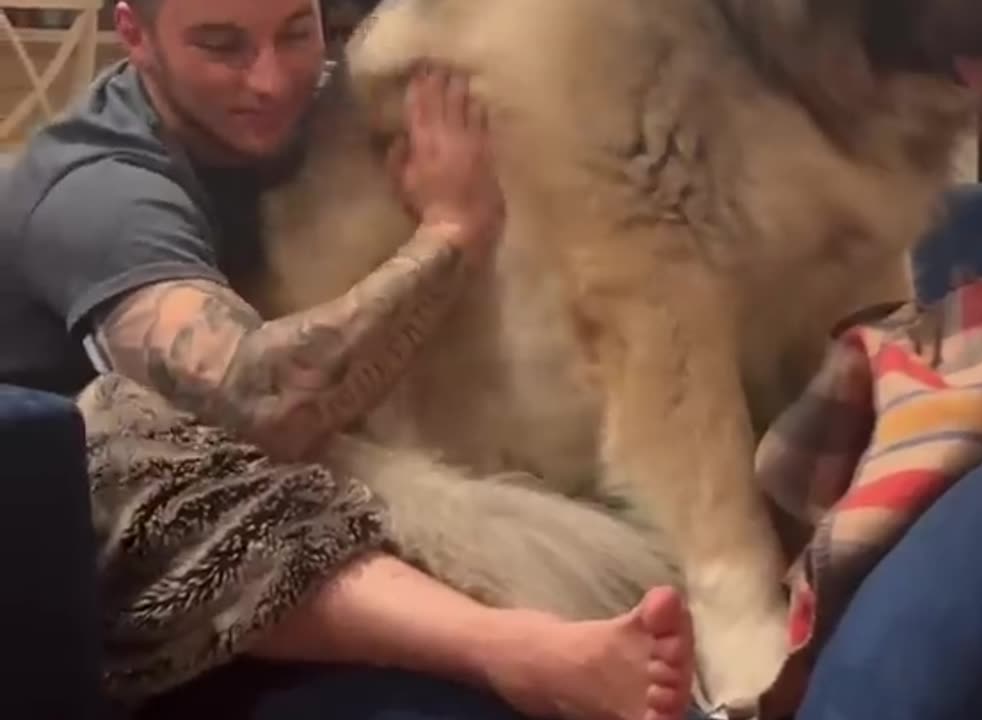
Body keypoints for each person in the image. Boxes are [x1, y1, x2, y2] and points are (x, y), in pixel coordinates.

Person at [0, 1, 695, 719]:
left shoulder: (340, 106)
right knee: (129, 429)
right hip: (76, 517)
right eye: (221, 47)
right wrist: (453, 232)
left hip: (295, 482)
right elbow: (256, 408)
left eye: (296, 34)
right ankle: (514, 649)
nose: (271, 81)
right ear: (137, 37)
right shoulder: (98, 188)